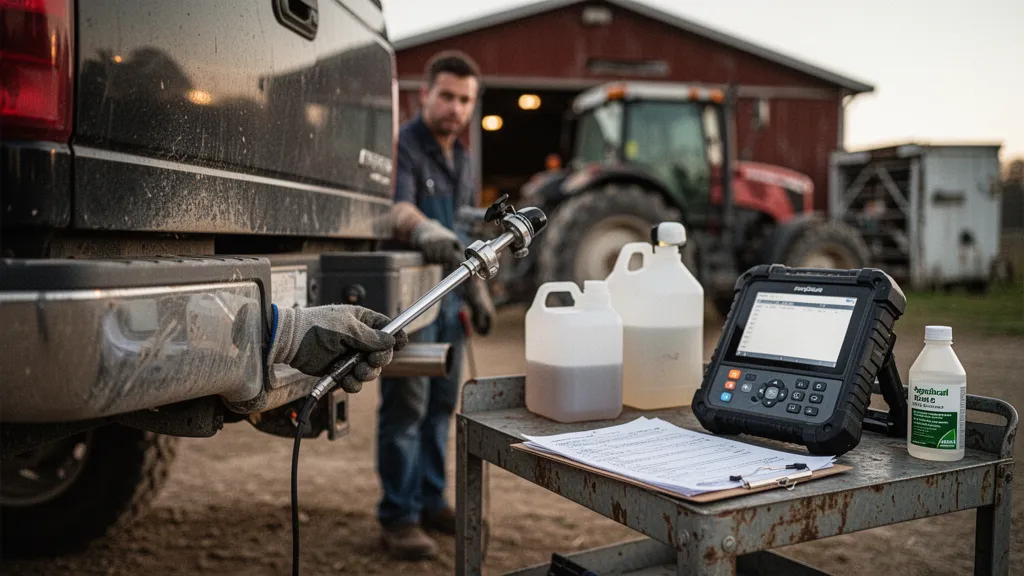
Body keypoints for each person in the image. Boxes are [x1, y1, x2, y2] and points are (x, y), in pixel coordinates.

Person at [379, 50, 494, 560]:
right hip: (413, 298)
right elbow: (396, 208)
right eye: (447, 95)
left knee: (443, 405)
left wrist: (478, 291)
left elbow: (467, 232)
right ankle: (398, 516)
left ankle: (431, 499)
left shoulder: (463, 156)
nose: (456, 107)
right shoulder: (404, 144)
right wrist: (424, 228)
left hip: (450, 300)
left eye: (465, 99)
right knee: (407, 407)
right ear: (425, 94)